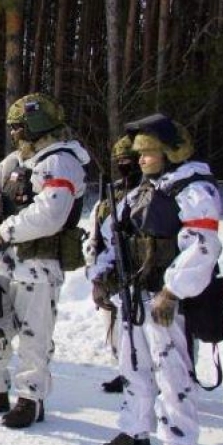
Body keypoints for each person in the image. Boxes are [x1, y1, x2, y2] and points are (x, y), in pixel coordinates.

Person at [88, 114, 221, 445]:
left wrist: (172, 290)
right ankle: (134, 430)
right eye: (140, 152)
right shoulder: (144, 190)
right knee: (133, 365)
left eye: (149, 152)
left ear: (170, 152)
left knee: (172, 370)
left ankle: (178, 443)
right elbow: (115, 234)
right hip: (134, 291)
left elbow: (203, 245)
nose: (141, 158)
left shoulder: (193, 189)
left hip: (166, 298)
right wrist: (101, 275)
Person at [0, 93, 89, 428]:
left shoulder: (61, 162)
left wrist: (3, 231)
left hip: (39, 264)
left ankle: (30, 398)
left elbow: (50, 214)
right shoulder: (16, 162)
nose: (15, 133)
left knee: (35, 336)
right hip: (6, 262)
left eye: (20, 127)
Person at [87, 135, 143, 394]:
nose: (124, 166)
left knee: (141, 331)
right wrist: (96, 273)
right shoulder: (110, 194)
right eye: (119, 161)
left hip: (139, 267)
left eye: (128, 161)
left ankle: (145, 376)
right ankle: (125, 371)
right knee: (115, 326)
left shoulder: (150, 192)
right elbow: (97, 233)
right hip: (110, 267)